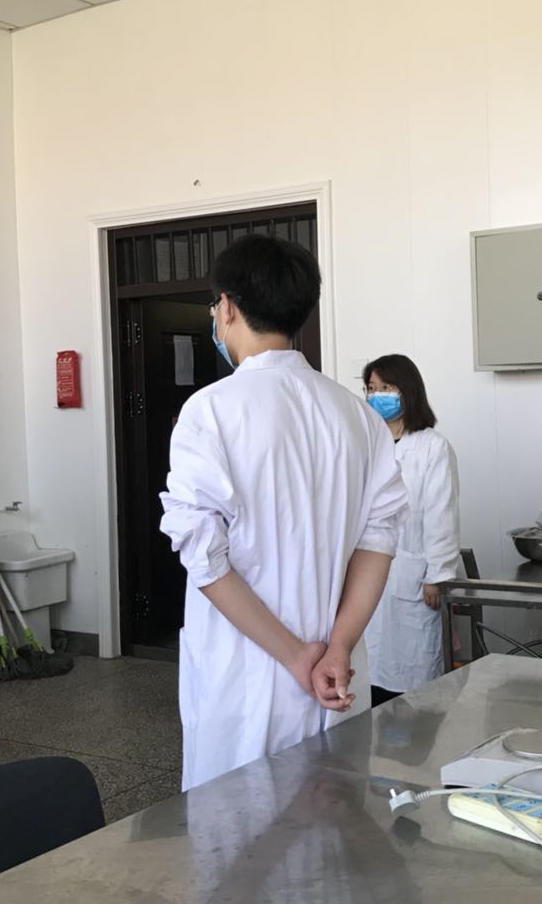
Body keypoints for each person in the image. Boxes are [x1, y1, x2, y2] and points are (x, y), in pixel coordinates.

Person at [160, 234, 408, 790]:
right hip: (336, 676)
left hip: (248, 677)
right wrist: (338, 646)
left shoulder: (210, 411)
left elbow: (204, 557)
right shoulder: (357, 416)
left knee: (236, 829)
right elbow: (378, 541)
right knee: (333, 823)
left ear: (226, 307)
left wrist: (297, 657)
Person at [363, 354, 460, 705]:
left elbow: (441, 513)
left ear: (408, 391)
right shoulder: (365, 444)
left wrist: (438, 575)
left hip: (414, 577)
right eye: (371, 388)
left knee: (413, 688)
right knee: (368, 677)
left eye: (386, 387)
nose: (377, 395)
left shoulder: (432, 446)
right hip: (366, 576)